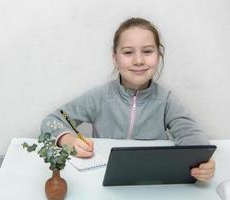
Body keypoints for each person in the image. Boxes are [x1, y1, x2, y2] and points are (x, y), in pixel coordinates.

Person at [41, 17, 215, 182]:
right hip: (101, 177)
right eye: (128, 52)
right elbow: (53, 120)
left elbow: (190, 133)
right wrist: (68, 140)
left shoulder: (166, 100)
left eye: (147, 51)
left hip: (152, 178)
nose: (138, 60)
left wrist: (202, 161)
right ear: (115, 58)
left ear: (159, 55)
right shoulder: (99, 96)